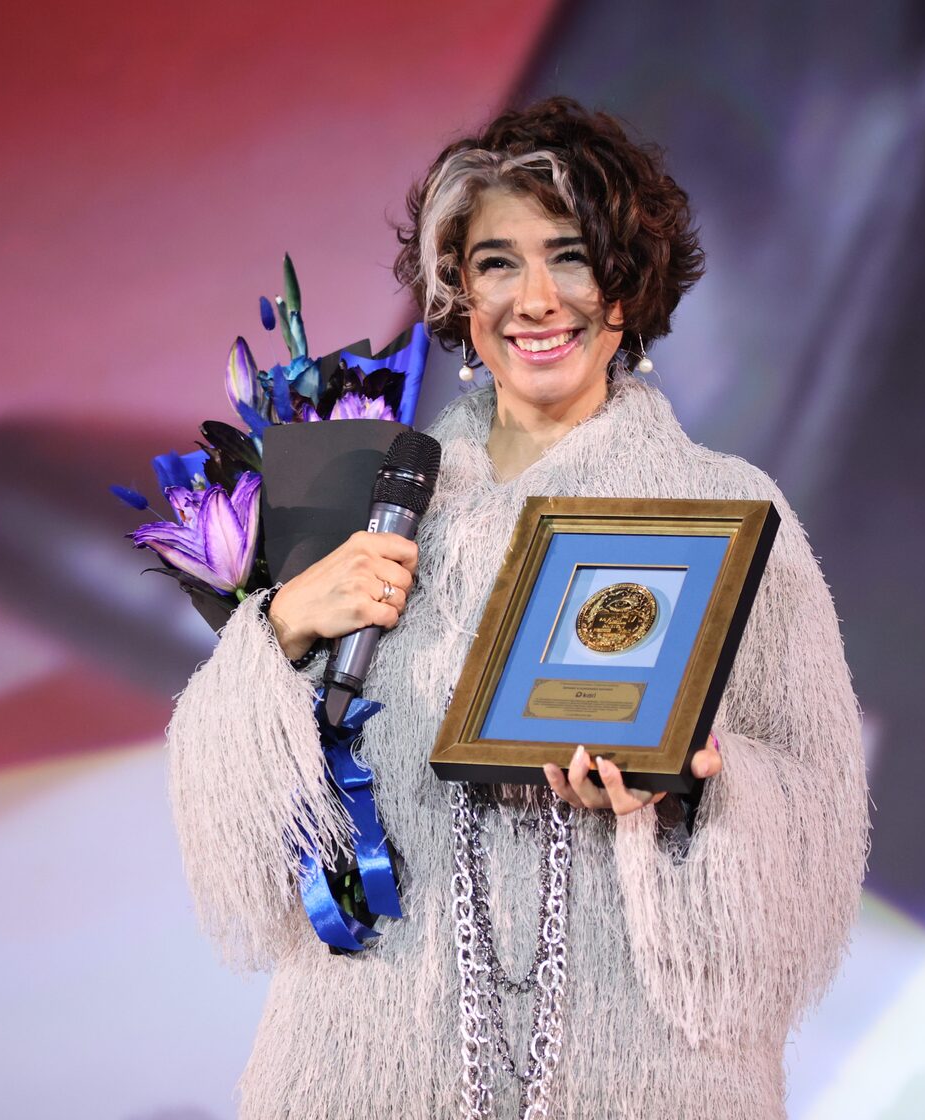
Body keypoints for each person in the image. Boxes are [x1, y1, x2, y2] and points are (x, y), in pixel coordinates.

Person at [166, 96, 868, 1119]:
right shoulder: (363, 497)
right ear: (459, 295)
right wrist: (277, 627)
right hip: (370, 1067)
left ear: (627, 284)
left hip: (637, 1073)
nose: (536, 300)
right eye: (497, 263)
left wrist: (692, 786)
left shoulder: (727, 510)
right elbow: (236, 840)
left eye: (571, 257)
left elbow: (819, 815)